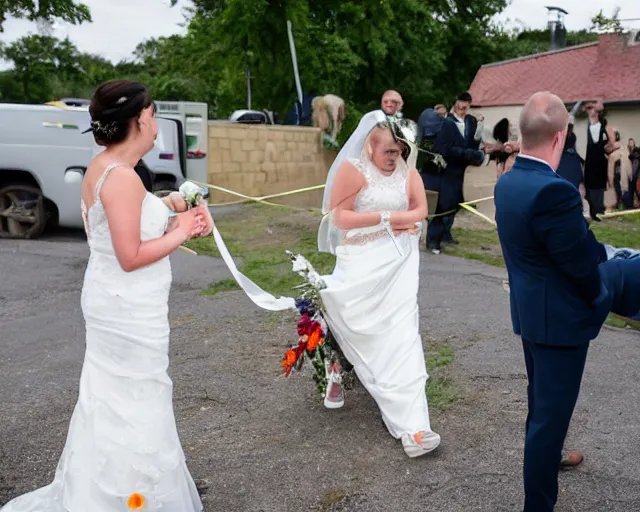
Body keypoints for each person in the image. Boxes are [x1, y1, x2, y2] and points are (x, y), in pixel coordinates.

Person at [1, 80, 213, 512]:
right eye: (153, 115)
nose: (156, 124)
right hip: (126, 308)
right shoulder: (120, 178)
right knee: (135, 398)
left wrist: (169, 206)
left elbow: (131, 218)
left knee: (116, 397)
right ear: (138, 121)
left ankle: (123, 488)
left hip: (117, 299)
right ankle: (135, 496)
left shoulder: (108, 167)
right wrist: (186, 229)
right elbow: (131, 255)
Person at [495, 91, 640, 512]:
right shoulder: (552, 191)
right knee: (547, 418)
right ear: (560, 138)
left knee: (541, 407)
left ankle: (550, 454)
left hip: (532, 312)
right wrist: (600, 295)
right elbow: (580, 262)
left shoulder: (508, 182)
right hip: (558, 322)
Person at [317, 111, 441, 458]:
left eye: (399, 151)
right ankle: (336, 370)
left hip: (398, 266)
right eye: (388, 151)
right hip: (359, 263)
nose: (395, 157)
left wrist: (401, 222)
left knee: (403, 338)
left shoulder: (407, 171)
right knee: (354, 330)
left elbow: (420, 210)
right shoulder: (352, 171)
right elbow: (339, 216)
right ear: (370, 145)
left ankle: (414, 428)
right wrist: (388, 219)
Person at [424, 91, 484, 254]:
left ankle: (445, 234)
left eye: (467, 103)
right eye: (461, 102)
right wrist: (467, 154)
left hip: (464, 171)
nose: (464, 106)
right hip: (448, 170)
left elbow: (473, 142)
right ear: (456, 102)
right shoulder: (447, 123)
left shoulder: (471, 121)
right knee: (442, 205)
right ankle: (433, 240)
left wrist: (477, 152)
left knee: (455, 203)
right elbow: (443, 148)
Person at [583, 99, 615, 219]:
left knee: (599, 185)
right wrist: (590, 105)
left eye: (593, 110)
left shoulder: (604, 126)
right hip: (590, 159)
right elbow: (583, 107)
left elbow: (611, 144)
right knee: (590, 185)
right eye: (590, 110)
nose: (591, 112)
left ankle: (599, 209)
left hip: (600, 160)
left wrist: (606, 150)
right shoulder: (588, 126)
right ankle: (592, 210)